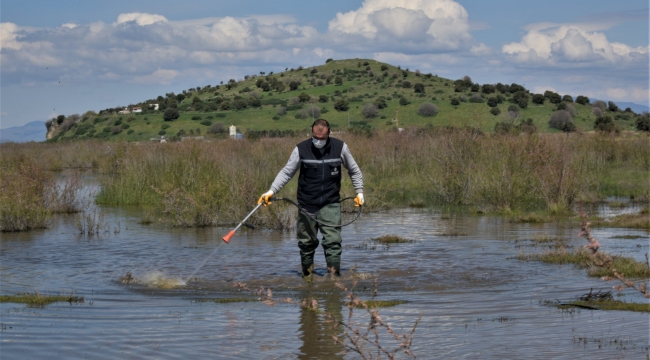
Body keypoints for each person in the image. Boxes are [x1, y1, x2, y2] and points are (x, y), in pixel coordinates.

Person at [258, 119, 364, 277]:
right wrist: (271, 191)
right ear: (311, 133)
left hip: (330, 203)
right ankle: (307, 280)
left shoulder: (340, 148)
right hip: (306, 205)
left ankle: (334, 282)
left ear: (329, 134)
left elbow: (354, 170)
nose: (318, 141)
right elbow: (287, 172)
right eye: (315, 137)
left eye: (322, 138)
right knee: (306, 243)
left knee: (333, 243)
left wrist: (359, 192)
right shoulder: (301, 149)